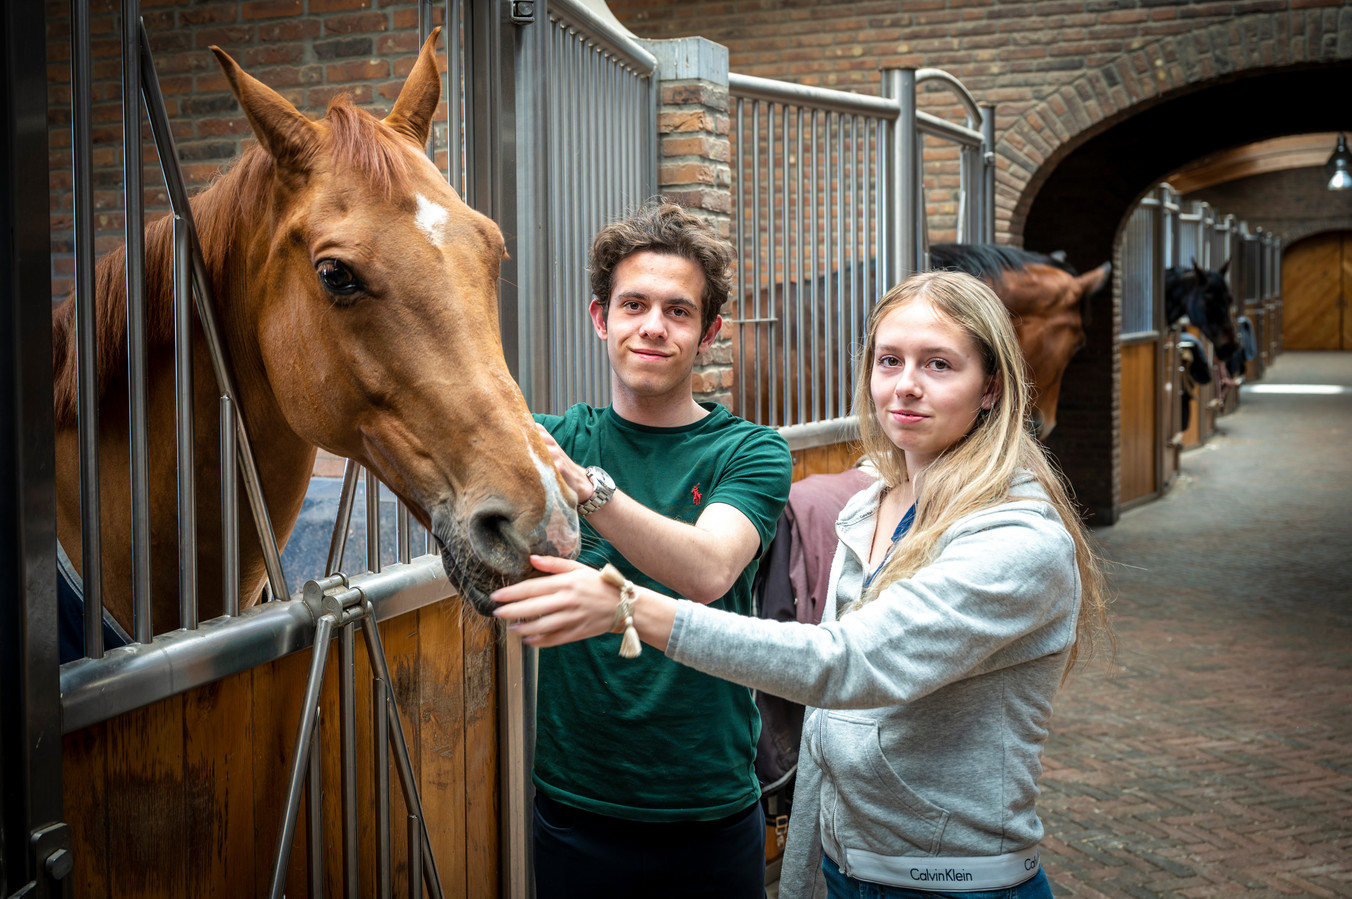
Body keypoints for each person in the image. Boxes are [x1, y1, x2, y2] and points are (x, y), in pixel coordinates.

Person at [495, 269, 1111, 899]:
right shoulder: (874, 509)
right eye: (890, 360)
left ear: (992, 387)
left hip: (955, 884)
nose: (905, 386)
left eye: (940, 365)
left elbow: (847, 666)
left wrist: (626, 605)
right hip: (847, 872)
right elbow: (828, 730)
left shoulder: (1016, 541)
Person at [513, 200, 793, 898]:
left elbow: (707, 568)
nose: (653, 327)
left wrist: (585, 488)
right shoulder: (553, 436)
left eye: (678, 311)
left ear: (710, 333)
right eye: (634, 304)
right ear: (600, 318)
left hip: (710, 804)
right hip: (575, 803)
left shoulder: (750, 451)